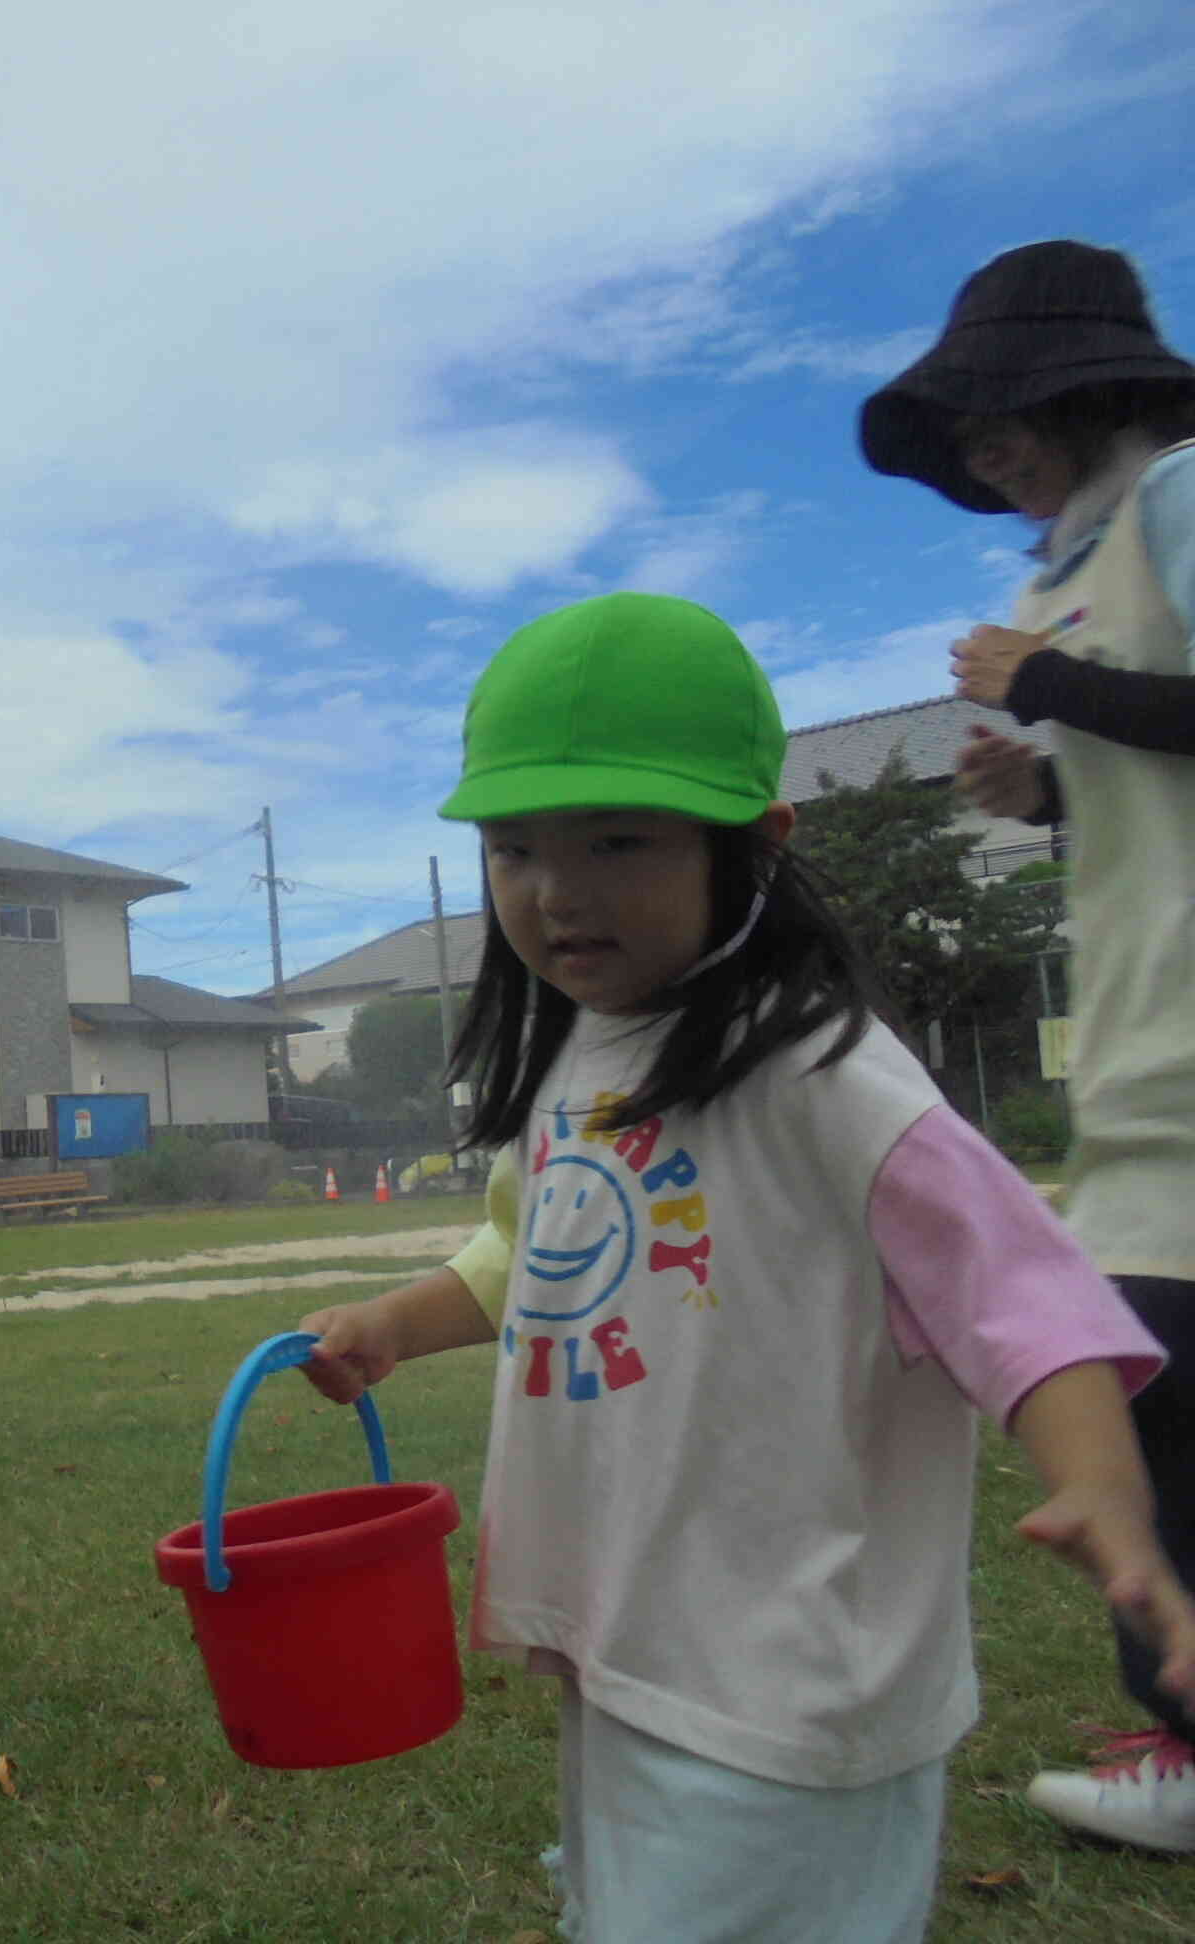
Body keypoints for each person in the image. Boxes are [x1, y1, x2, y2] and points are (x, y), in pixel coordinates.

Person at [296, 593, 1191, 1942]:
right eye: (515, 846)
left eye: (616, 840)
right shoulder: (587, 1052)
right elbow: (533, 1251)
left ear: (753, 846)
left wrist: (1103, 1482)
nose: (555, 888)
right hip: (639, 1642)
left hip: (785, 1677)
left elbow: (1024, 1287)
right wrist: (392, 1322)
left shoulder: (822, 1072)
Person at [862, 237, 1195, 1851]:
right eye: (961, 429)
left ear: (1085, 384)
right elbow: (1160, 796)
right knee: (1142, 1400)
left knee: (1146, 1392)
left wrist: (1054, 680)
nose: (982, 449)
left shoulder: (1181, 496)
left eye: (1000, 411)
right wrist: (1046, 787)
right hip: (1139, 1060)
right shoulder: (1052, 565)